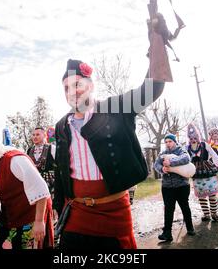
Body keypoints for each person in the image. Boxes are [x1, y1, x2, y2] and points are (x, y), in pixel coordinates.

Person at [54, 58, 165, 249]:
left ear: (91, 85)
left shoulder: (115, 107)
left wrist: (156, 41)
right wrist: (58, 207)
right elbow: (60, 170)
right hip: (76, 215)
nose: (72, 91)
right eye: (66, 88)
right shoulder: (61, 125)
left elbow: (151, 89)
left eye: (77, 84)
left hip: (113, 214)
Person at [0, 133, 54, 249]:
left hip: (32, 214)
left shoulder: (15, 160)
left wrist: (39, 222)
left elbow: (41, 189)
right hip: (9, 216)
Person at [153, 133, 195, 241]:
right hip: (167, 187)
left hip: (182, 185)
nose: (168, 143)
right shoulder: (162, 154)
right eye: (166, 142)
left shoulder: (181, 150)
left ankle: (190, 228)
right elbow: (156, 165)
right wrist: (162, 169)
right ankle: (167, 233)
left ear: (174, 142)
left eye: (170, 141)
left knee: (184, 207)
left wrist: (170, 162)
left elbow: (186, 158)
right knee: (168, 210)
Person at [186, 124, 218, 222]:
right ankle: (206, 214)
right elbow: (185, 161)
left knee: (212, 193)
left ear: (198, 137)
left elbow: (214, 155)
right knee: (201, 195)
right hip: (196, 173)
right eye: (191, 138)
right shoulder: (186, 148)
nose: (193, 140)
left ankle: (214, 213)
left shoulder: (204, 145)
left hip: (208, 171)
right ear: (189, 138)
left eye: (195, 137)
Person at [27, 127, 57, 200]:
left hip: (50, 186)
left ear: (44, 135)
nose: (35, 137)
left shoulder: (52, 148)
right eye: (33, 135)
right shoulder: (29, 150)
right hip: (34, 186)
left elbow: (60, 166)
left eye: (37, 134)